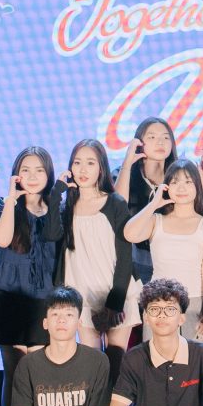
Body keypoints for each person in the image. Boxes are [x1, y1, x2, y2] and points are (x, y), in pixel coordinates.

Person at [0, 147, 65, 359]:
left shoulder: (58, 209)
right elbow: (2, 239)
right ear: (16, 174)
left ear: (48, 174)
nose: (32, 177)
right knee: (13, 368)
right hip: (9, 295)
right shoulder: (2, 205)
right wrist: (11, 199)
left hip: (45, 297)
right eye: (25, 170)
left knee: (39, 367)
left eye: (39, 170)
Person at [125, 160, 203, 345]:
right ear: (166, 186)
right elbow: (129, 234)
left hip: (193, 303)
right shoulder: (156, 220)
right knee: (155, 360)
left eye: (188, 181)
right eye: (175, 182)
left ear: (197, 186)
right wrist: (154, 204)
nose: (181, 188)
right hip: (158, 303)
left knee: (191, 360)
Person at [58, 138, 136, 347]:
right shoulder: (65, 208)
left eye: (90, 163)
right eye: (77, 162)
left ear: (101, 168)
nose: (83, 169)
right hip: (81, 295)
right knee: (90, 361)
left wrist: (115, 303)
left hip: (116, 293)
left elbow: (125, 256)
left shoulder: (115, 203)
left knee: (116, 358)